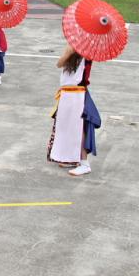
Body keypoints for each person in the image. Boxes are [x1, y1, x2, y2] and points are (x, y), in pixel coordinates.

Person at [47, 45, 101, 177]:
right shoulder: (72, 51)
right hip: (67, 94)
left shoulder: (87, 52)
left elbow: (63, 65)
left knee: (79, 128)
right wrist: (69, 52)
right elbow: (59, 64)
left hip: (77, 95)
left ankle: (84, 164)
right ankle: (73, 158)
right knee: (67, 127)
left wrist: (73, 51)